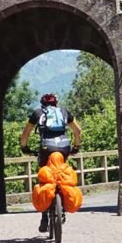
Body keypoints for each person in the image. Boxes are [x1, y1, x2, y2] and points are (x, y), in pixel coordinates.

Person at [20, 93, 81, 232]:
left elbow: (26, 133)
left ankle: (44, 217)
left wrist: (24, 147)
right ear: (56, 104)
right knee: (62, 172)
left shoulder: (38, 113)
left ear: (43, 104)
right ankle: (63, 207)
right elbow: (78, 131)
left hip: (46, 147)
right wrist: (75, 147)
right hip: (64, 146)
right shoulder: (64, 112)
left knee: (44, 178)